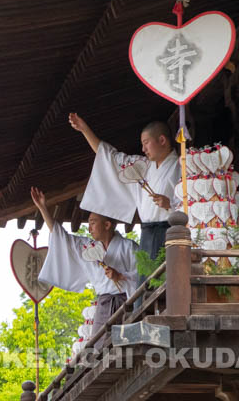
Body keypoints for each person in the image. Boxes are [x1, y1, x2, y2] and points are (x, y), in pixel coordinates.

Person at [67, 112, 179, 282]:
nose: (143, 149)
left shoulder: (181, 166)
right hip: (147, 232)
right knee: (146, 286)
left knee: (164, 283)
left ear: (162, 140)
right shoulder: (143, 167)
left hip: (169, 231)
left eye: (146, 143)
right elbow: (110, 157)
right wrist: (84, 130)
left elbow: (191, 203)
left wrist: (170, 205)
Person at [29, 186, 139, 343]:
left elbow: (144, 276)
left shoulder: (129, 247)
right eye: (89, 223)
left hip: (125, 302)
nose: (89, 228)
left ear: (107, 225)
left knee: (125, 348)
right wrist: (43, 208)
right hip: (103, 304)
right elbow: (61, 236)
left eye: (93, 223)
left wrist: (120, 276)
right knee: (99, 350)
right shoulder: (88, 247)